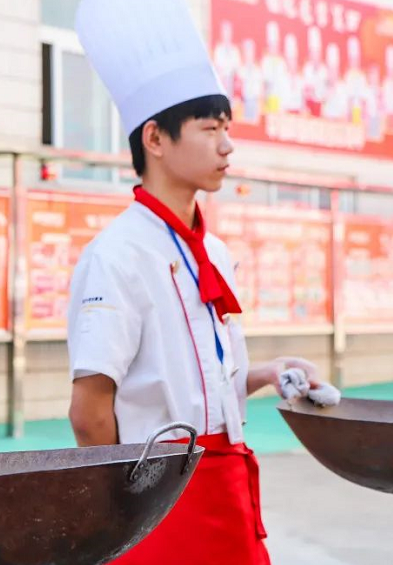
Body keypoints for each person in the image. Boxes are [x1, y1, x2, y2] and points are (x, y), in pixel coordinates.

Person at [70, 1, 326, 563]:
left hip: (227, 485)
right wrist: (127, 510)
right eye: (210, 129)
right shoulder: (117, 254)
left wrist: (268, 371)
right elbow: (90, 411)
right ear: (155, 139)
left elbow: (201, 386)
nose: (227, 145)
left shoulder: (213, 250)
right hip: (160, 501)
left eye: (227, 129)